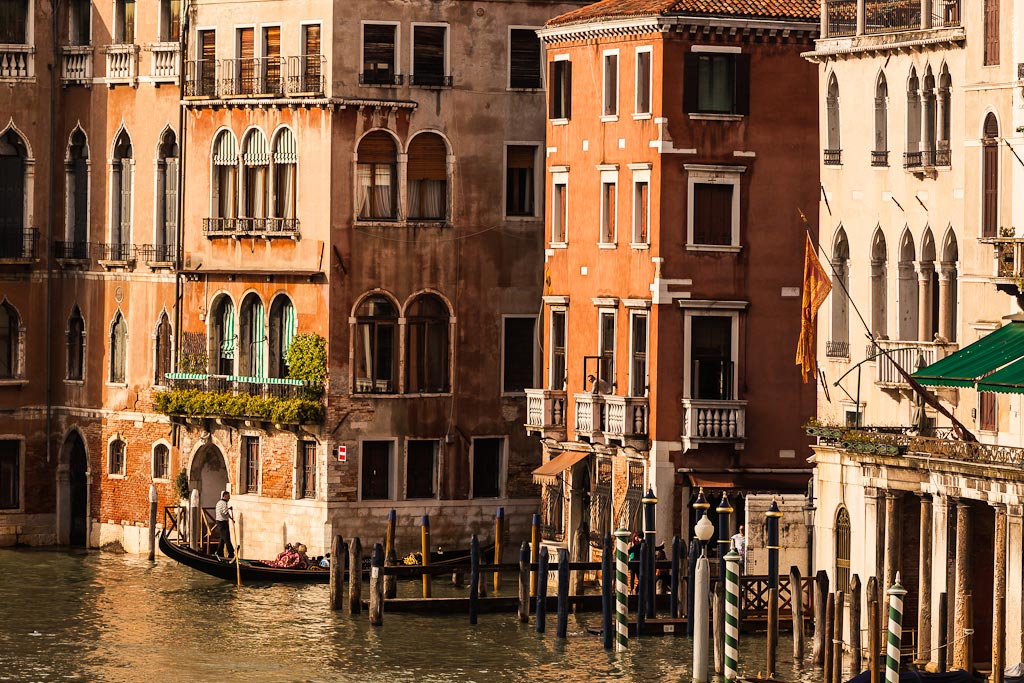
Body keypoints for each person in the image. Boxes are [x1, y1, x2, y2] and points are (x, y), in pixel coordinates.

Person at [215, 490, 234, 560]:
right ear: (225, 496)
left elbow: (223, 510)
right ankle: (231, 553)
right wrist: (231, 518)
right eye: (228, 496)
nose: (229, 498)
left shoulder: (219, 502)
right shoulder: (223, 503)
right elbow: (225, 512)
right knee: (227, 538)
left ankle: (219, 552)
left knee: (222, 538)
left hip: (219, 522)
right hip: (222, 522)